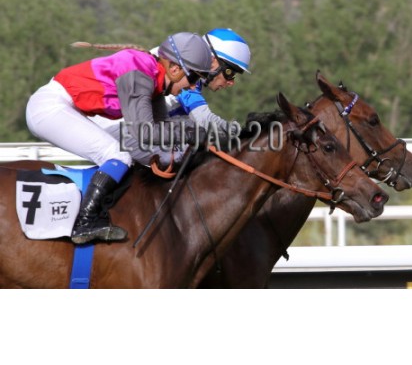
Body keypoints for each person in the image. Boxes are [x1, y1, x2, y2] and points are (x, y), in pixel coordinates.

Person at [26, 32, 212, 244]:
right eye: (194, 78)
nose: (193, 86)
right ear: (175, 69)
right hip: (49, 108)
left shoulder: (155, 79)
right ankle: (85, 222)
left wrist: (197, 134)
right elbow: (144, 133)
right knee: (118, 155)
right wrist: (190, 133)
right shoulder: (140, 73)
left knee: (121, 155)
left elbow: (162, 128)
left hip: (62, 107)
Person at [91, 28, 252, 166]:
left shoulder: (185, 63)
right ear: (213, 61)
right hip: (117, 128)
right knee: (192, 155)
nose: (231, 82)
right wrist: (246, 135)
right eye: (230, 72)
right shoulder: (185, 69)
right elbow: (205, 120)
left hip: (131, 127)